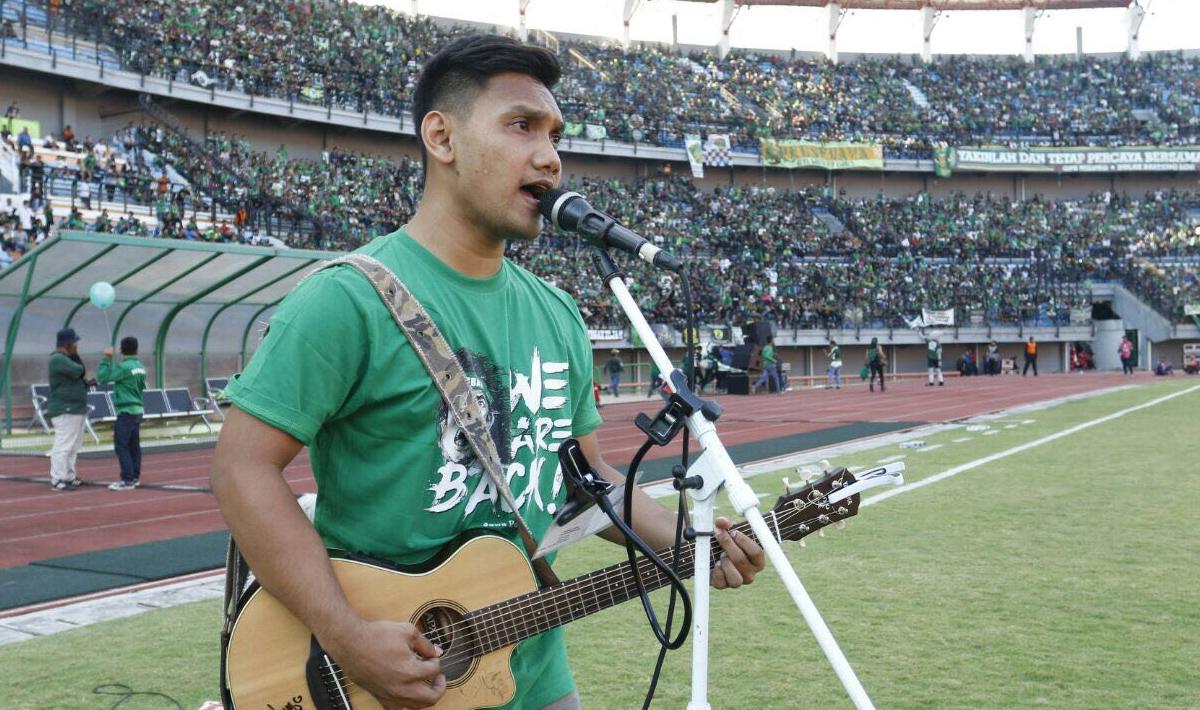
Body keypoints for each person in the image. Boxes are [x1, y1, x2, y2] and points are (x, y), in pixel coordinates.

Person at [209, 36, 763, 710]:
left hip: (532, 673)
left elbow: (585, 485)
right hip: (378, 676)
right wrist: (346, 635)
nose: (550, 157)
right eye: (521, 125)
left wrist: (692, 540)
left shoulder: (559, 314)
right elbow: (242, 468)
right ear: (441, 138)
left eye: (556, 134)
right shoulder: (345, 299)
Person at [99, 336, 147, 490]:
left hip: (126, 410)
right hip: (138, 410)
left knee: (121, 446)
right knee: (134, 446)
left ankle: (127, 480)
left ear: (121, 350)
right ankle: (134, 477)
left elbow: (103, 377)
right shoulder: (141, 367)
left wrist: (106, 358)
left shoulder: (124, 367)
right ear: (137, 349)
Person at [47, 328, 91, 491]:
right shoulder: (58, 359)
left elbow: (78, 375)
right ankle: (58, 478)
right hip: (65, 409)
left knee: (73, 446)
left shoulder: (65, 358)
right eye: (74, 342)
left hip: (75, 408)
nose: (77, 345)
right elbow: (78, 370)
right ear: (67, 343)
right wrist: (76, 358)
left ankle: (69, 476)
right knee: (63, 445)